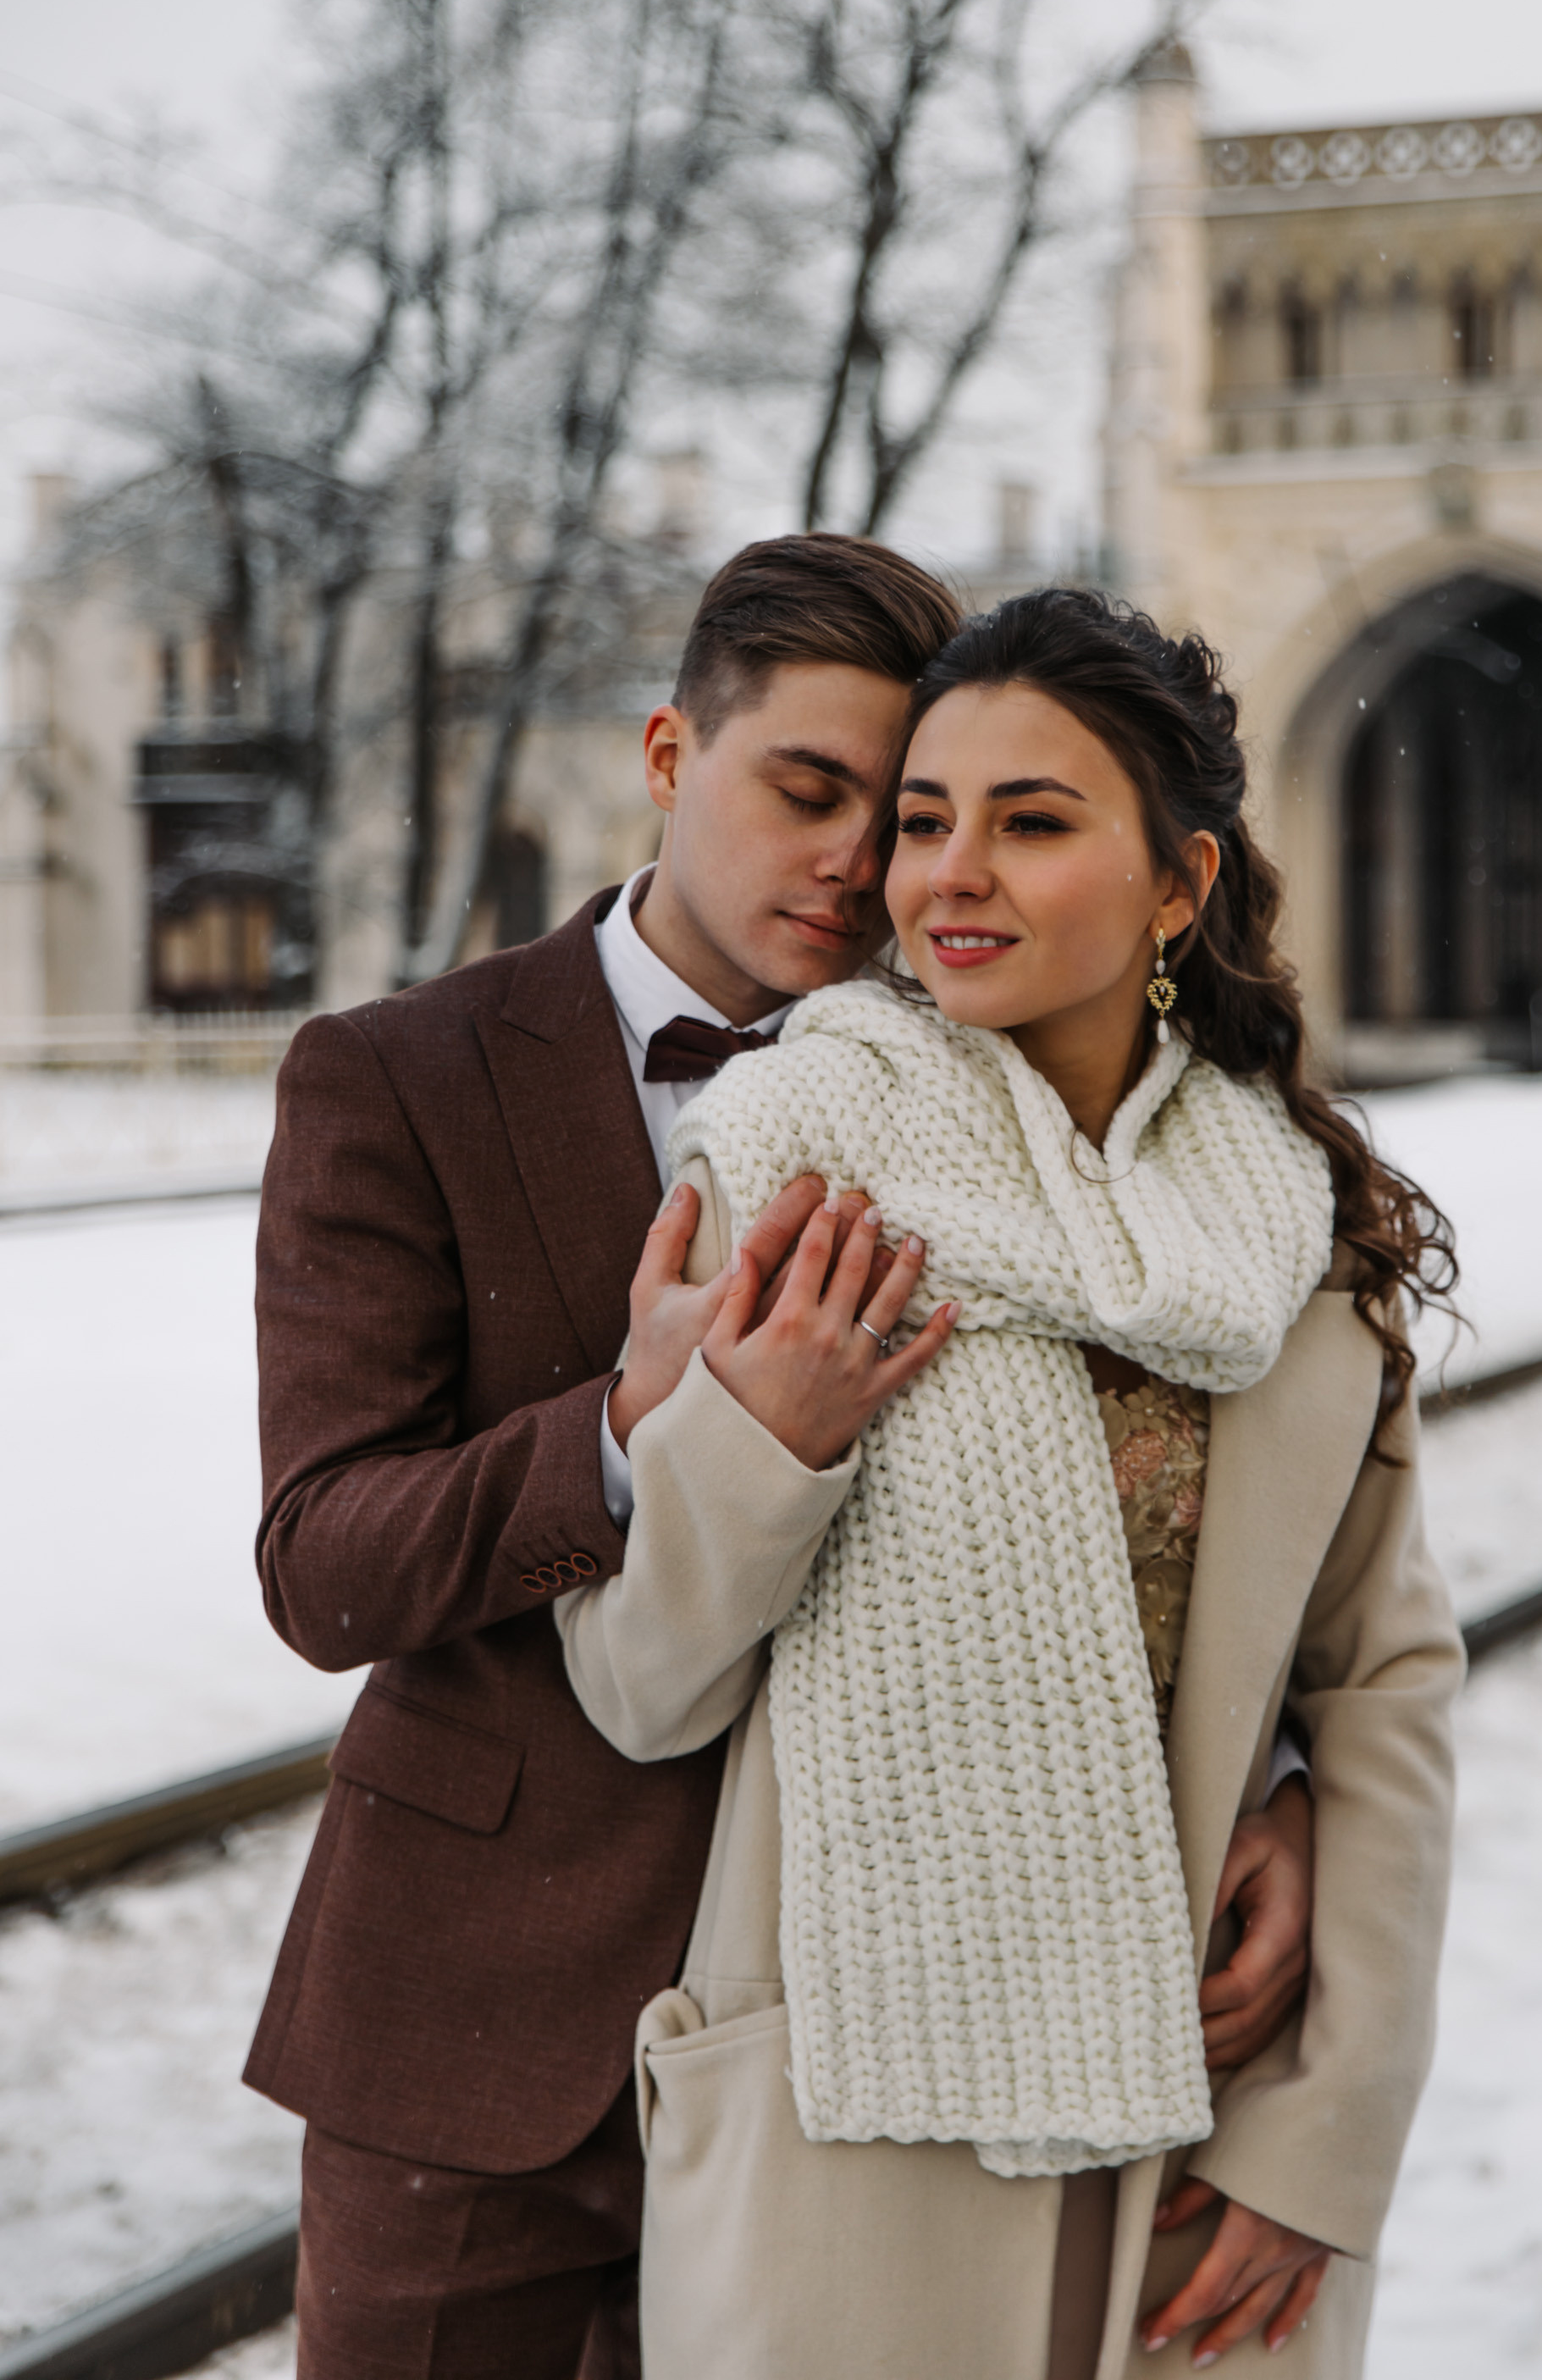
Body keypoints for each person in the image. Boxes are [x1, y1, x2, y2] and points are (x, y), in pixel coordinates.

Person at [246, 536, 1319, 2380]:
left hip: (868, 2047)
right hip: (489, 2037)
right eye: (802, 791)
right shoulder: (399, 1076)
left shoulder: (993, 1079)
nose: (856, 863)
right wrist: (614, 1427)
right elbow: (322, 1560)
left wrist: (1263, 1768)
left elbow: (1139, 1477)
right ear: (669, 758)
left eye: (890, 811)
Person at [560, 585, 1462, 2380]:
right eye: (923, 819)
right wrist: (765, 1436)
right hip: (849, 2138)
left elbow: (1382, 1689)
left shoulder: (1287, 1222)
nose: (948, 875)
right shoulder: (792, 1165)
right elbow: (637, 1689)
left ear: (1179, 887)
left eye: (1032, 823)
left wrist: (1323, 2134)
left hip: (1208, 2128)